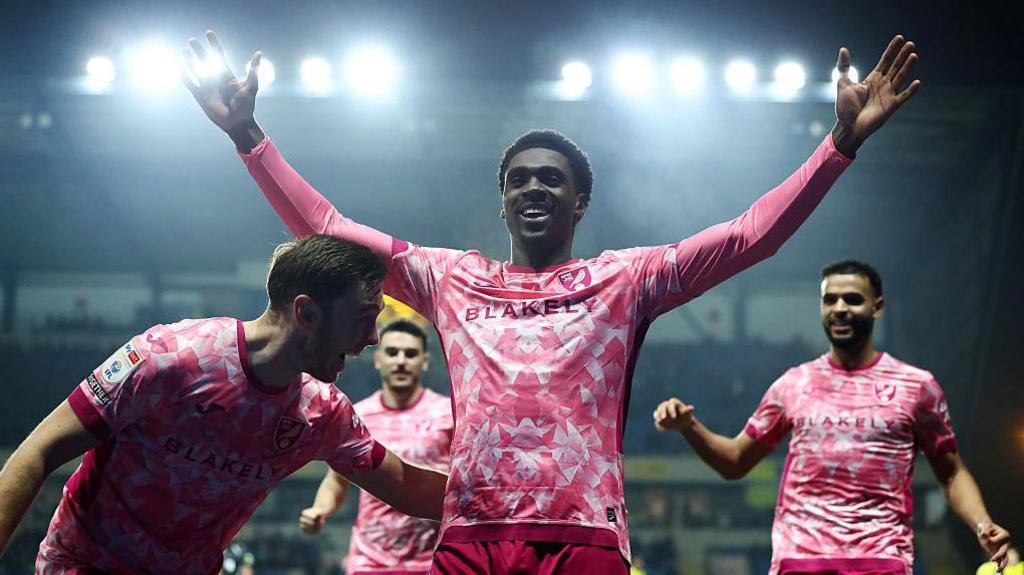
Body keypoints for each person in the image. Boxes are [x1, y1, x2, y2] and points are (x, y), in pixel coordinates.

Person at [183, 29, 921, 573]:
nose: (533, 186)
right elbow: (331, 230)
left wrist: (838, 147)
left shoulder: (626, 280)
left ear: (580, 203)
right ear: (503, 204)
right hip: (469, 531)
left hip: (586, 535)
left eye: (551, 179)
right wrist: (248, 134)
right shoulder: (448, 278)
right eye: (518, 180)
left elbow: (748, 236)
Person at [0, 235, 449, 575]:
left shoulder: (323, 413)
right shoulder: (169, 356)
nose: (372, 339)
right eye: (362, 320)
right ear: (307, 314)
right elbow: (37, 453)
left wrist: (511, 499)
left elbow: (406, 486)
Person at [653, 259, 1012, 574]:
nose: (840, 308)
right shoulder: (793, 384)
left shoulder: (917, 386)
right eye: (830, 299)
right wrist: (689, 427)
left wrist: (983, 525)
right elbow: (735, 462)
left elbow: (950, 473)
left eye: (853, 299)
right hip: (800, 559)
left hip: (881, 560)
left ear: (878, 307)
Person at [298, 319, 453, 575]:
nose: (401, 361)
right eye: (392, 353)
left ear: (425, 361)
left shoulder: (448, 413)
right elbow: (337, 480)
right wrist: (319, 510)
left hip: (432, 562)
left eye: (411, 353)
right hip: (370, 563)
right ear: (378, 360)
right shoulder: (358, 414)